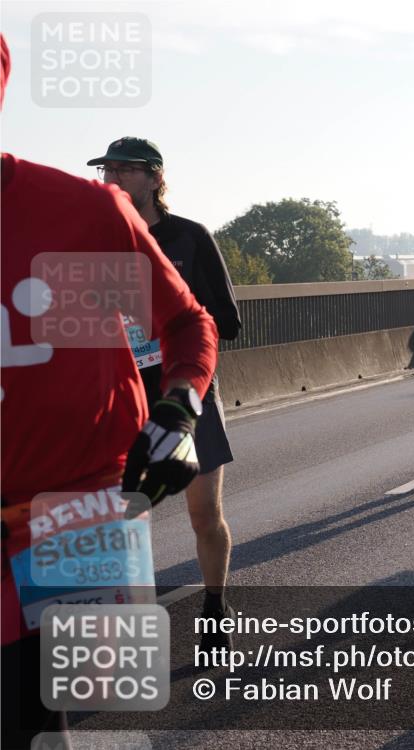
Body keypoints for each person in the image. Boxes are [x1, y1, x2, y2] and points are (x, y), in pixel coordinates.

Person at [0, 35, 218, 748]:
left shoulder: (82, 213)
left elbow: (187, 321)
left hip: (74, 503)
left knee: (58, 714)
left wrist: (178, 410)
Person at [87, 137, 242, 646]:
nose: (113, 179)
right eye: (107, 170)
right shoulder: (94, 241)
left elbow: (228, 321)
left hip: (185, 395)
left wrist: (171, 324)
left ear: (155, 179)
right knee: (127, 518)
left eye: (126, 171)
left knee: (203, 514)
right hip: (124, 395)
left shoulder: (189, 238)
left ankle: (216, 608)